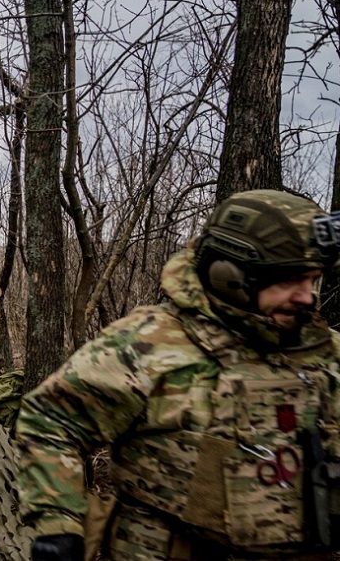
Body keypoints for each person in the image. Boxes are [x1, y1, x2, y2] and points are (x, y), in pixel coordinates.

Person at [17, 189, 340, 561]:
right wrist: (57, 523)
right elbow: (52, 421)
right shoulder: (147, 345)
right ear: (229, 275)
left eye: (312, 279)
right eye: (288, 281)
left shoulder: (325, 355)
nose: (306, 297)